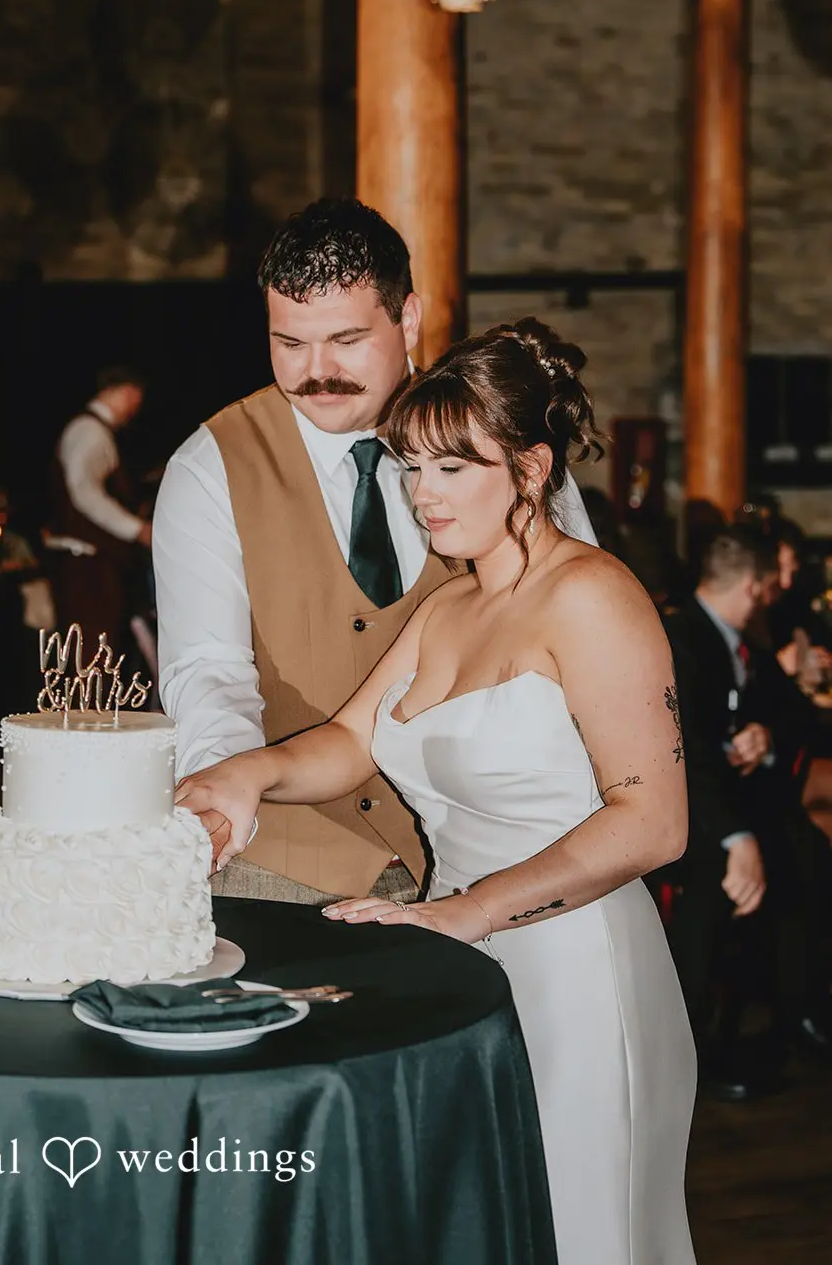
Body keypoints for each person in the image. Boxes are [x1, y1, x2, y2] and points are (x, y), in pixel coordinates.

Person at [176, 318, 695, 1265]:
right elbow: (346, 741)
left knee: (584, 1237)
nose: (422, 496)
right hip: (467, 964)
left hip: (576, 972)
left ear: (530, 470)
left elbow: (653, 823)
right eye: (411, 468)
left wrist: (467, 913)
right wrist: (238, 776)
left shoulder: (593, 596)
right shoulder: (448, 605)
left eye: (452, 469)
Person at [153, 199, 596, 905]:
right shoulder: (209, 467)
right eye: (289, 343)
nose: (315, 372)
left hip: (484, 854)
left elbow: (582, 634)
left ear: (407, 318)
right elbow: (207, 668)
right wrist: (230, 785)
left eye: (346, 339)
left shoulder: (499, 434)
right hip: (284, 857)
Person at [664, 528, 832, 1093]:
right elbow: (683, 755)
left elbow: (794, 714)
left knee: (808, 849)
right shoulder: (679, 638)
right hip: (680, 811)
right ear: (755, 586)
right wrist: (737, 837)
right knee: (717, 880)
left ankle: (798, 1011)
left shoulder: (745, 642)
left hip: (734, 803)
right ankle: (691, 1051)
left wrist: (766, 734)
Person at [44, 365, 152, 661]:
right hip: (86, 564)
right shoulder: (89, 431)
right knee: (91, 655)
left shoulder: (95, 431)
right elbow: (84, 491)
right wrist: (137, 529)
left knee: (96, 653)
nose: (134, 408)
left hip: (94, 562)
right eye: (135, 399)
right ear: (126, 392)